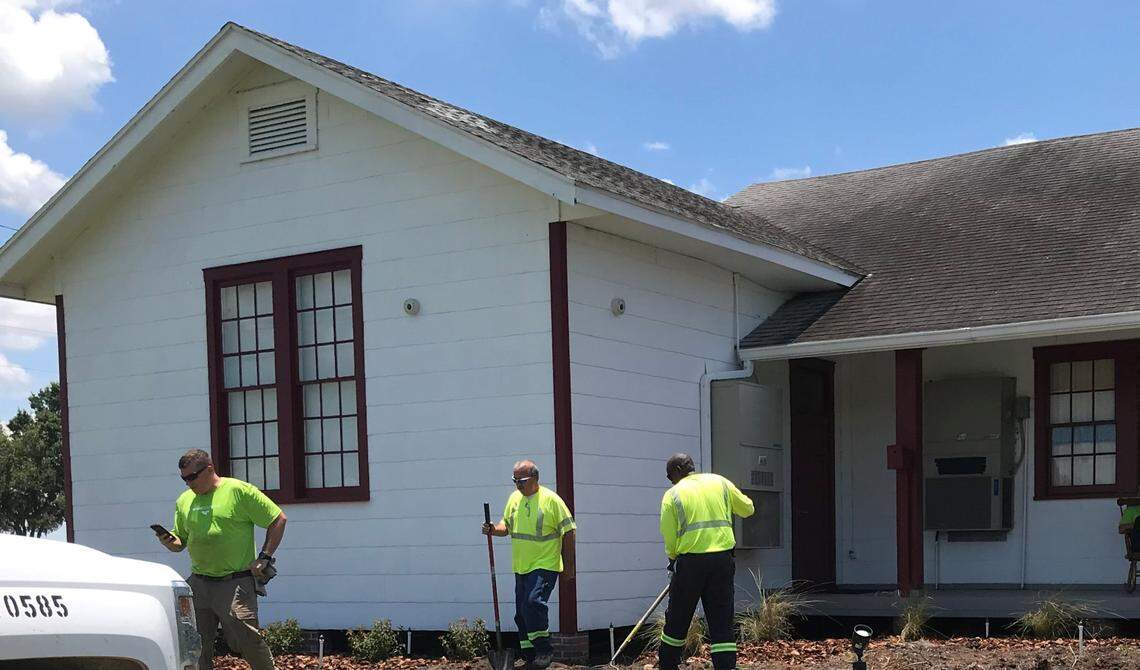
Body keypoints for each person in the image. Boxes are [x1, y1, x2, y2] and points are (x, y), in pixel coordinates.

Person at [157, 448, 287, 670]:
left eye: (191, 477)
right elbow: (181, 542)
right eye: (183, 479)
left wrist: (264, 557)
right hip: (198, 584)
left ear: (209, 469)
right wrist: (170, 541)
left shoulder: (238, 491)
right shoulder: (184, 500)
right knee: (195, 645)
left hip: (235, 583)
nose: (188, 483)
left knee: (247, 641)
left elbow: (278, 519)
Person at [658, 453, 754, 670]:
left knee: (678, 618)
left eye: (668, 476)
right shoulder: (720, 483)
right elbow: (748, 508)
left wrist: (673, 558)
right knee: (721, 620)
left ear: (676, 472)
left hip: (690, 564)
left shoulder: (673, 495)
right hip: (722, 562)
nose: (669, 480)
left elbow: (669, 535)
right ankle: (726, 666)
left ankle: (668, 664)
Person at [482, 460, 576, 669]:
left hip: (545, 564)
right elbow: (506, 526)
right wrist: (492, 529)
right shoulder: (514, 499)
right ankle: (529, 655)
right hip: (521, 566)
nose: (517, 485)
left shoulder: (551, 500)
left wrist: (569, 567)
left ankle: (544, 651)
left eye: (521, 481)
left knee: (533, 603)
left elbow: (569, 531)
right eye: (514, 480)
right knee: (521, 613)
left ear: (534, 479)